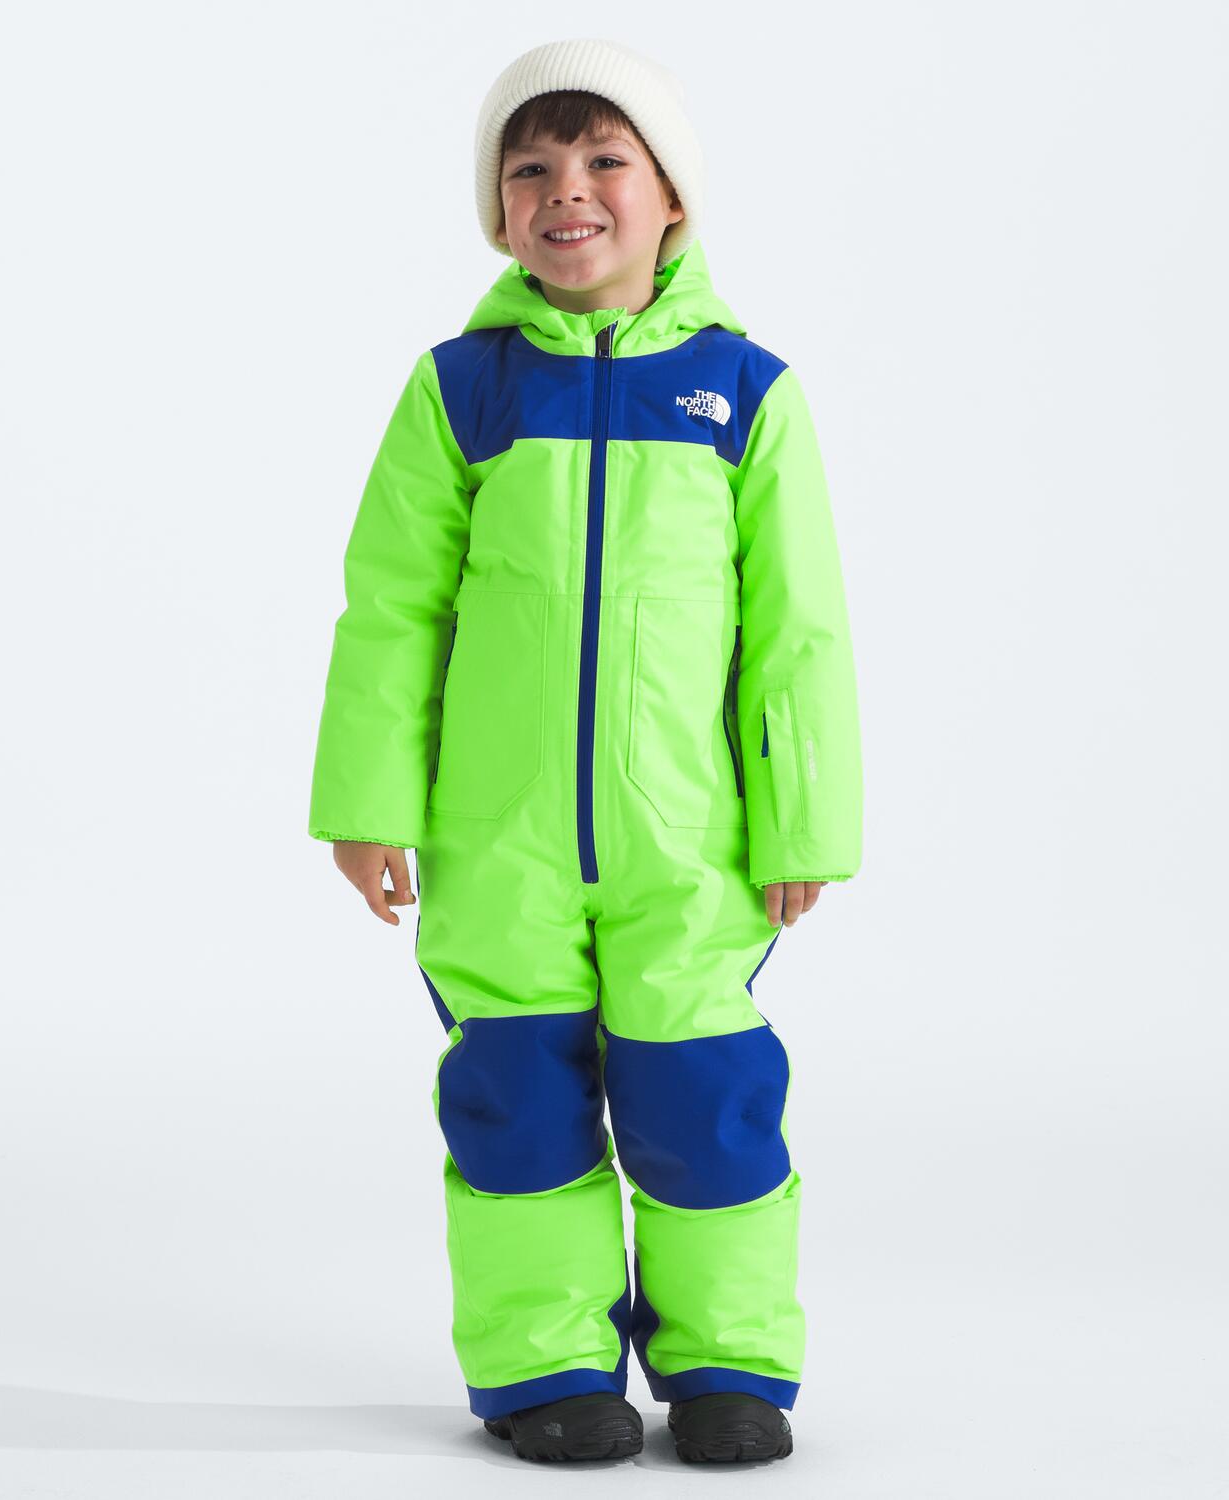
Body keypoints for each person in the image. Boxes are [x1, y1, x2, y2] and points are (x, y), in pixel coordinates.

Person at [308, 36, 863, 1465]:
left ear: (670, 195)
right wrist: (369, 804)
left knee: (706, 1104)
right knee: (518, 1106)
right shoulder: (463, 391)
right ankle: (545, 1366)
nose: (567, 190)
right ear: (499, 216)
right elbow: (392, 611)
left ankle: (729, 1362)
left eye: (604, 160)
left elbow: (796, 630)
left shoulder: (745, 392)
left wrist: (802, 823)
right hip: (498, 848)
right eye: (530, 169)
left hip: (692, 847)